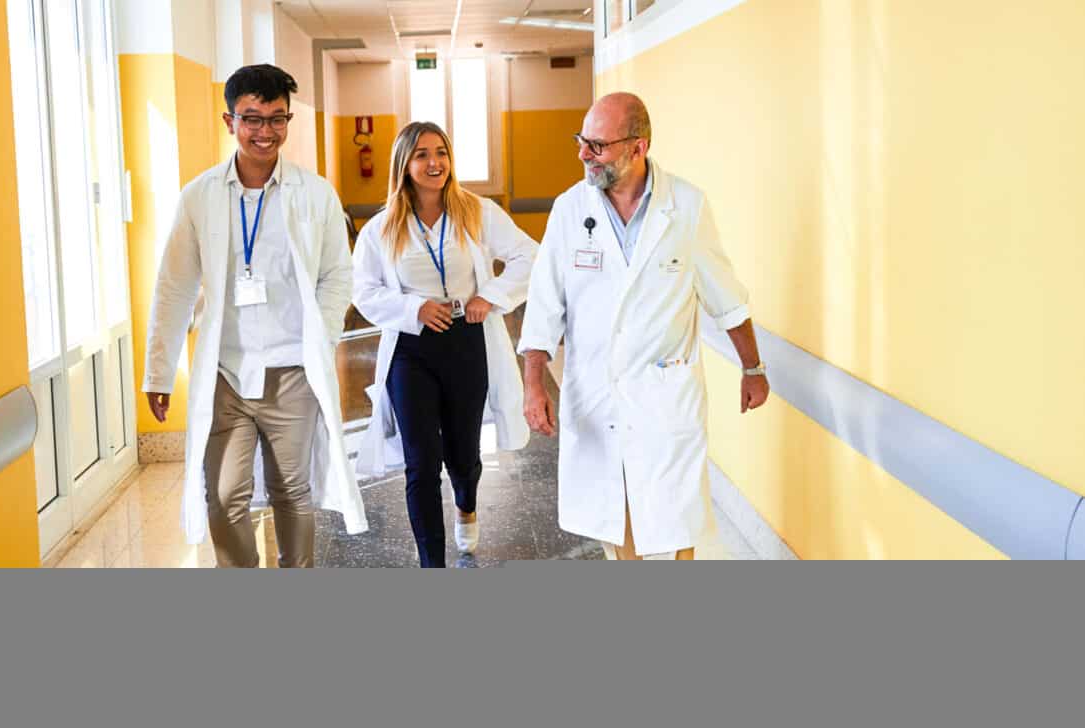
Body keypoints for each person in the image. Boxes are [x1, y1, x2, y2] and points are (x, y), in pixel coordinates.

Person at [518, 93, 769, 561]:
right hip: (597, 387)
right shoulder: (570, 210)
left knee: (676, 514)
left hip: (664, 391)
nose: (583, 155)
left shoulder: (686, 206)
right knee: (615, 509)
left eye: (597, 145)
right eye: (582, 141)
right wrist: (534, 383)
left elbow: (725, 295)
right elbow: (544, 305)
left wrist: (752, 367)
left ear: (638, 147)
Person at [143, 64, 366, 567]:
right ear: (229, 121)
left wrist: (322, 337)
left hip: (293, 370)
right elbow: (174, 286)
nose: (265, 131)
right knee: (223, 497)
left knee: (292, 492)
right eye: (252, 118)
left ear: (288, 121)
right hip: (226, 372)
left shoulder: (315, 194)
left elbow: (338, 274)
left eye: (276, 118)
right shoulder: (199, 196)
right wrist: (158, 372)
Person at [353, 122, 538, 567]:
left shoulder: (477, 211)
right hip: (411, 351)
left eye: (441, 152)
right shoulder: (381, 229)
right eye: (421, 154)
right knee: (420, 464)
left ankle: (466, 503)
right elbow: (364, 290)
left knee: (463, 454)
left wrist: (488, 297)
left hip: (465, 342)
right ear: (404, 164)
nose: (434, 162)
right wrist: (413, 309)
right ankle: (431, 564)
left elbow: (529, 255)